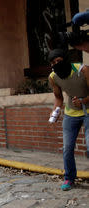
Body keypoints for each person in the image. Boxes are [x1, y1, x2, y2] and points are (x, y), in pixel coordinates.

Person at [48, 49, 89, 191]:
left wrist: (84, 100)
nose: (56, 64)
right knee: (67, 148)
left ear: (65, 59)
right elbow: (59, 98)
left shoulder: (82, 69)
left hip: (88, 111)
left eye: (59, 61)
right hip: (71, 113)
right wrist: (56, 111)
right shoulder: (53, 77)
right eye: (53, 63)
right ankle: (69, 178)